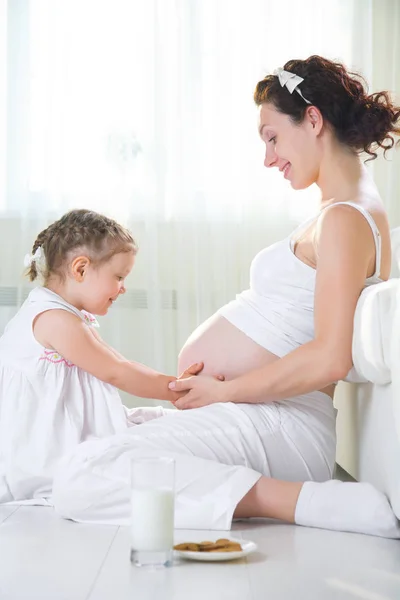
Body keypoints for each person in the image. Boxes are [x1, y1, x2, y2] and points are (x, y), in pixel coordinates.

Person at [20, 56, 400, 537]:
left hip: (286, 426)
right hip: (261, 416)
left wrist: (223, 391)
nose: (268, 157)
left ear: (313, 119)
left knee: (79, 478)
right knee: (95, 441)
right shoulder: (340, 214)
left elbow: (329, 358)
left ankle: (300, 501)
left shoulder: (345, 219)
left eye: (272, 136)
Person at [0, 209, 205, 503]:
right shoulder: (55, 320)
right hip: (46, 452)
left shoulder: (67, 315)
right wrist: (175, 390)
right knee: (151, 457)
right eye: (119, 276)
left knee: (161, 427)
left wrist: (172, 385)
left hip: (68, 430)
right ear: (80, 269)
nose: (123, 288)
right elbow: (116, 371)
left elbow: (119, 363)